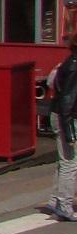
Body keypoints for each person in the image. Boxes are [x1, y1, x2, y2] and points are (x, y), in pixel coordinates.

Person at [42, 34, 77, 222]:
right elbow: (67, 101)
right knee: (70, 162)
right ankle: (64, 204)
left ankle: (56, 200)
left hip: (63, 116)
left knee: (64, 161)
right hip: (67, 118)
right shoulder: (74, 67)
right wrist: (69, 131)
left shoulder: (69, 63)